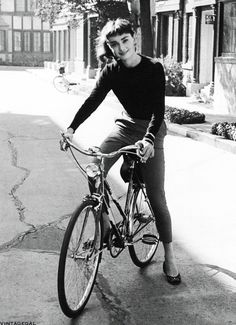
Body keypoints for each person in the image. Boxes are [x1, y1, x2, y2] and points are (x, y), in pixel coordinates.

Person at [63, 18, 181, 285]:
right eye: (114, 44)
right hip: (126, 127)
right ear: (110, 47)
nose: (121, 48)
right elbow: (93, 100)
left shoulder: (153, 68)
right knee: (94, 168)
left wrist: (150, 139)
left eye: (125, 40)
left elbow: (158, 110)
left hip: (152, 129)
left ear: (134, 38)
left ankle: (170, 255)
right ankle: (104, 226)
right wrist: (71, 128)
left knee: (156, 195)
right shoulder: (111, 70)